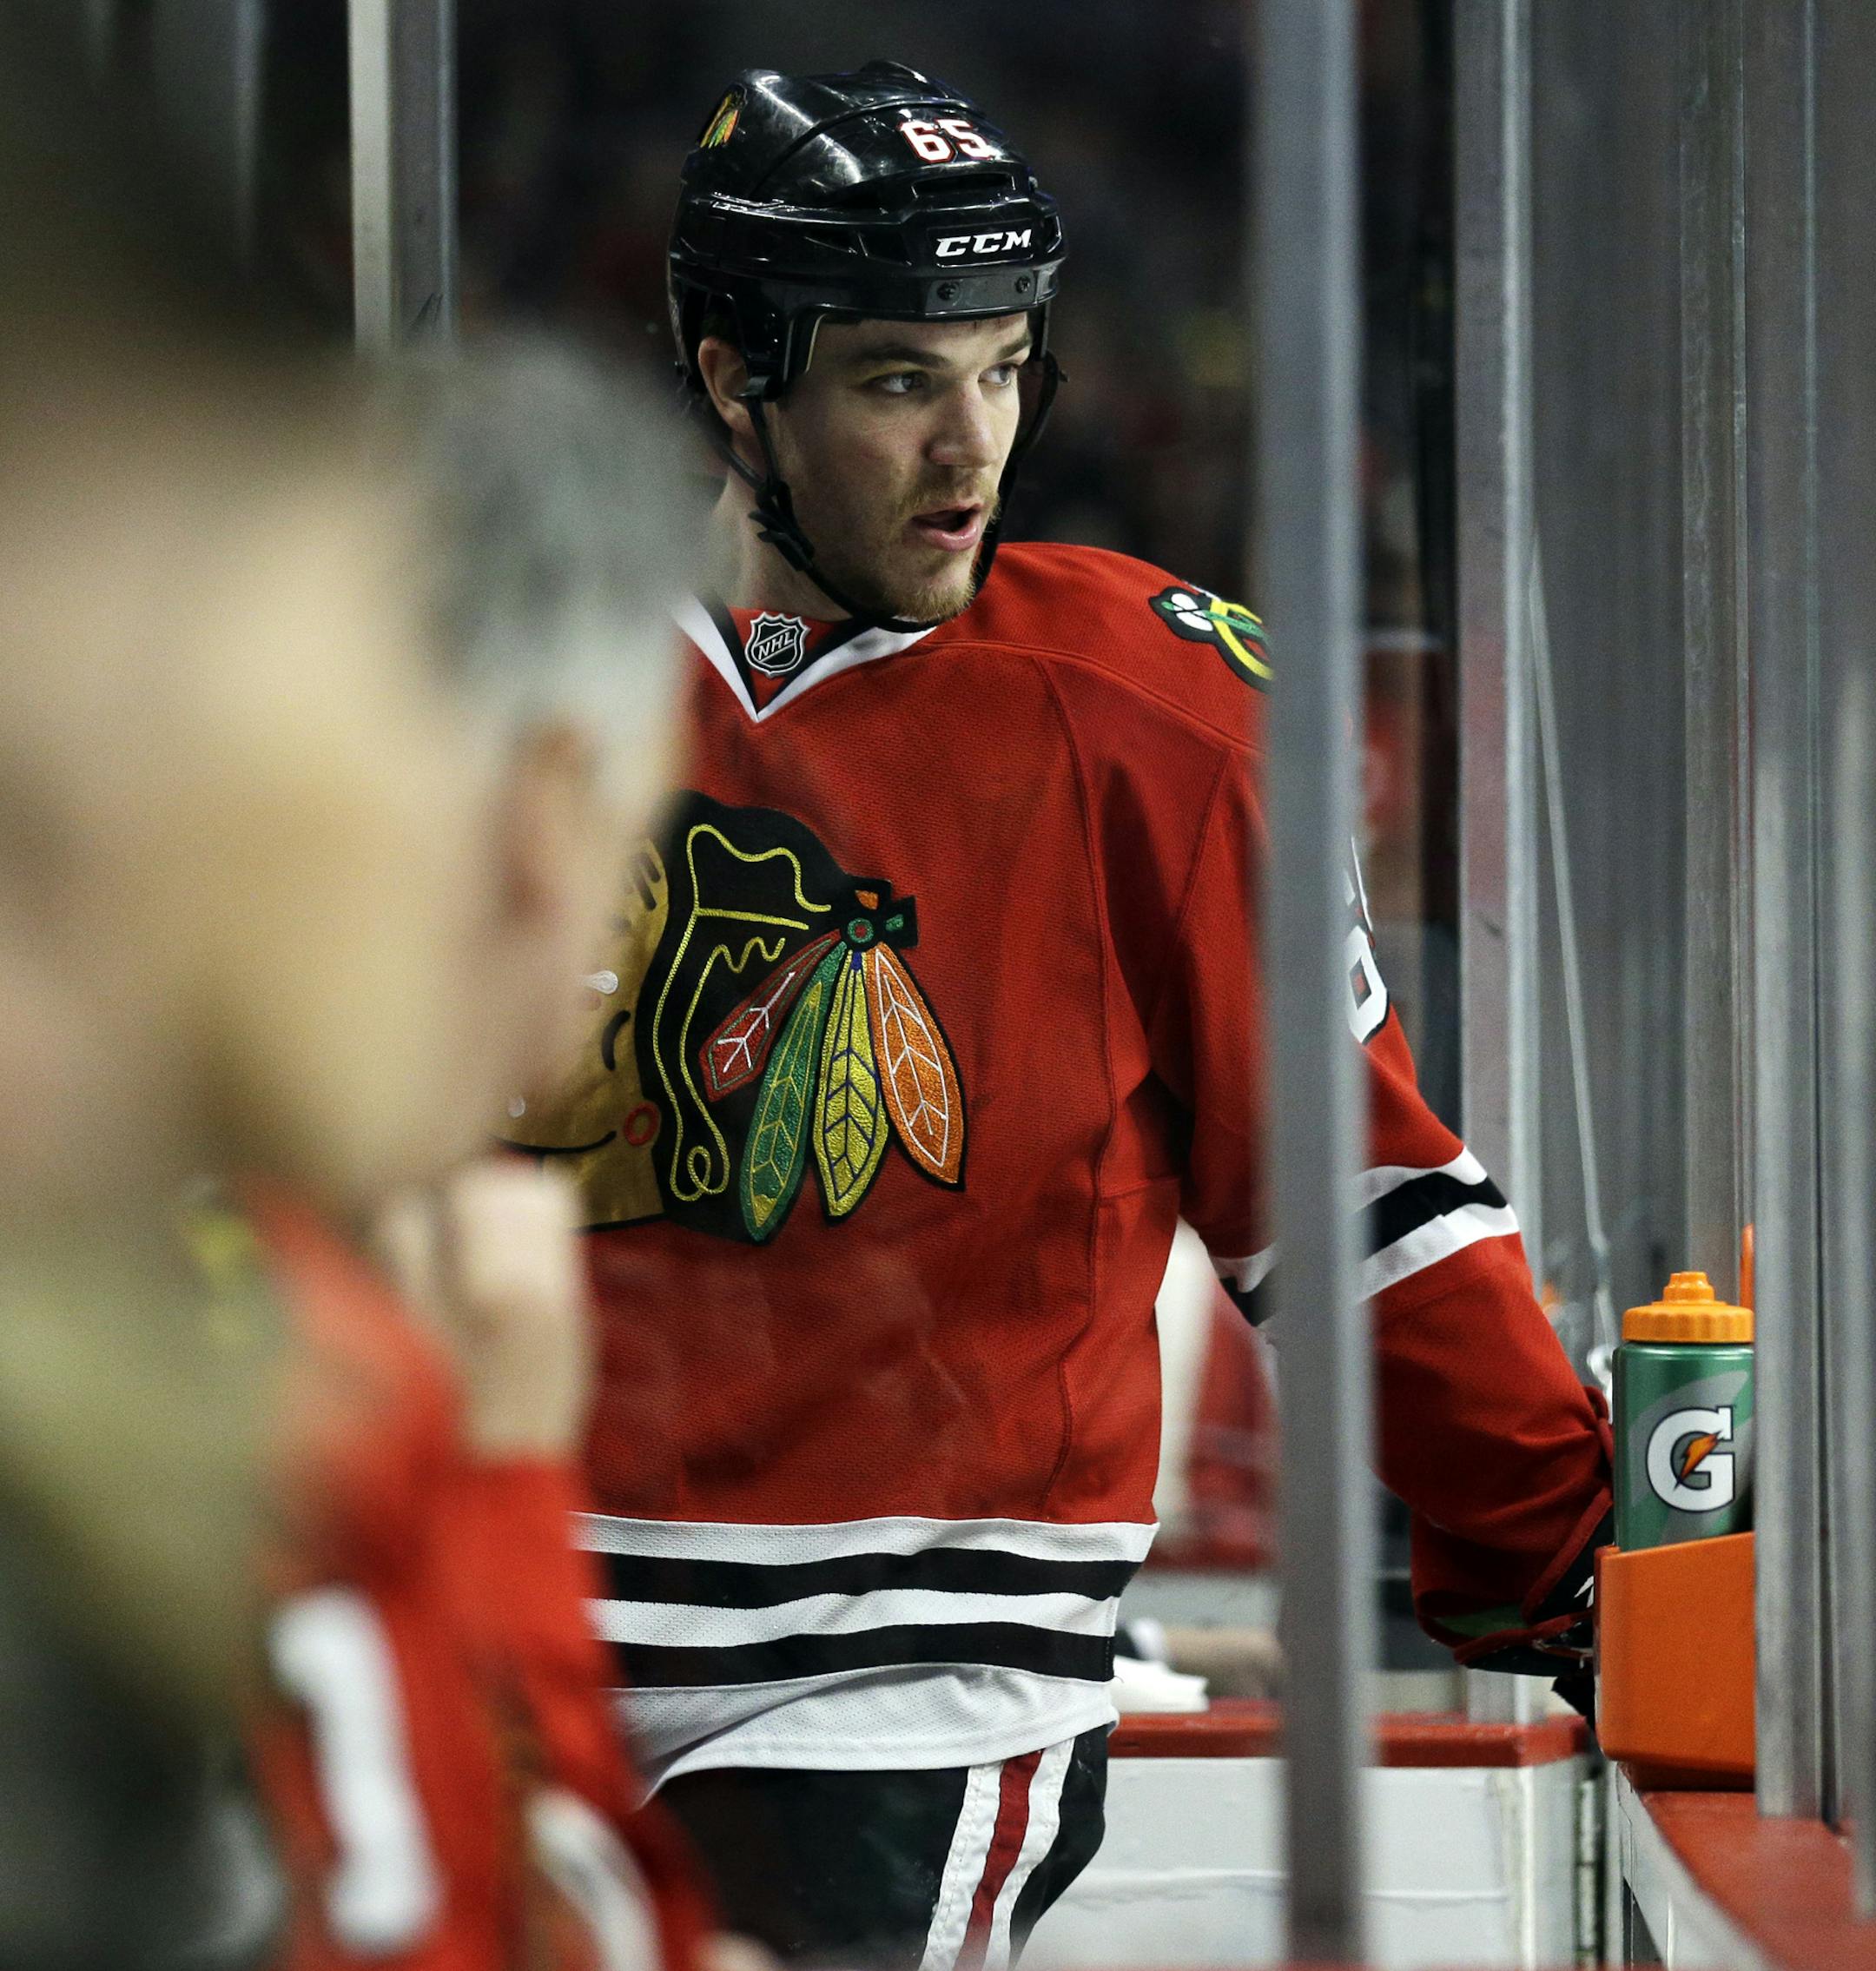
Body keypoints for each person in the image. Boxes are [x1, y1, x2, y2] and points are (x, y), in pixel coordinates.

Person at [505, 61, 1613, 1969]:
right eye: (895, 379)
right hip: (512, 1621)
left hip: (907, 1676)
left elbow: (1356, 1208)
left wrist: (1576, 1561)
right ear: (726, 377)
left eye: (1006, 368)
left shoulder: (1162, 715)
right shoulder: (517, 677)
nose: (973, 448)